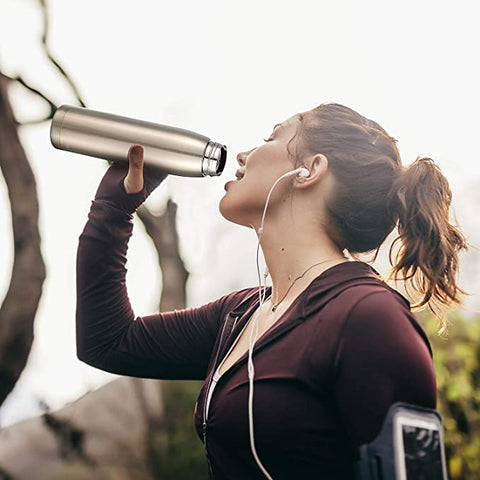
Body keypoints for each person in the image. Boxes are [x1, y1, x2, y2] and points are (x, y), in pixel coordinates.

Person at [76, 102, 468, 479]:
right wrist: (114, 207)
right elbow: (107, 342)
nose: (243, 155)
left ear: (309, 170)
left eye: (271, 136)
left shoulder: (369, 318)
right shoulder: (239, 316)